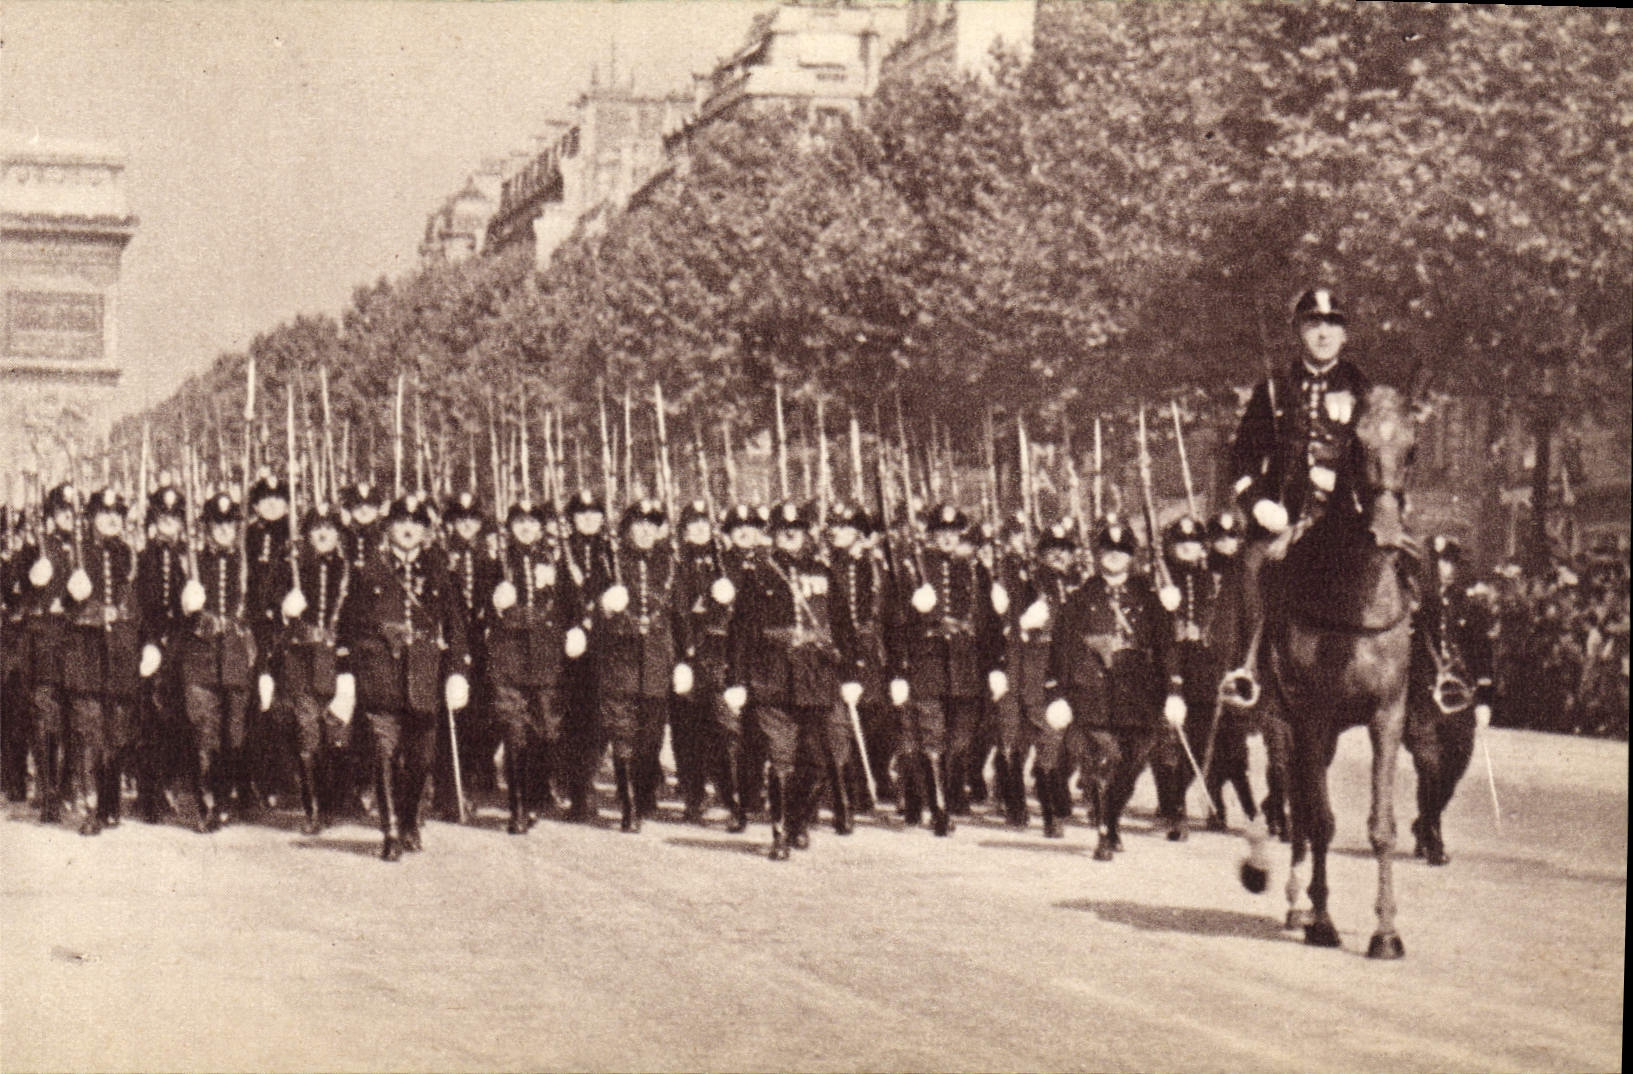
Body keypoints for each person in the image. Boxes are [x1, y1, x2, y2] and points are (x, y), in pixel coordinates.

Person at [1226, 288, 1372, 669]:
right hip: (1280, 523)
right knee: (1251, 571)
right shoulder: (1275, 388)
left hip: (1347, 522)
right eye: (1313, 324)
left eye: (1333, 324)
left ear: (1345, 334)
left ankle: (1430, 685)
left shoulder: (1363, 389)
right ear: (1298, 331)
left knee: (1408, 578)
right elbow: (1241, 459)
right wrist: (1258, 504)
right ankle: (1248, 674)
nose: (1323, 334)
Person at [333, 494, 471, 860]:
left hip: (425, 678)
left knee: (423, 759)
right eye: (400, 523)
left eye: (416, 524)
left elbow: (455, 626)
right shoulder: (369, 572)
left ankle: (409, 818)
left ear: (425, 531)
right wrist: (349, 672)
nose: (408, 529)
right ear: (389, 528)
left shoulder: (439, 571)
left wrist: (458, 671)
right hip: (381, 677)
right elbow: (348, 628)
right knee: (383, 752)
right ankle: (390, 830)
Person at [1047, 518, 1186, 861]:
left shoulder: (1149, 598)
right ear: (1097, 555)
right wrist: (1057, 694)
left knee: (1133, 762)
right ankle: (1104, 832)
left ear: (1131, 556)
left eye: (1122, 552)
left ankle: (1111, 818)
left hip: (1137, 694)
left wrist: (1173, 690)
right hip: (1091, 692)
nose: (1114, 558)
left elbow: (1167, 646)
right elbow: (1062, 648)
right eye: (1108, 551)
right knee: (1105, 760)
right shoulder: (1079, 598)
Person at [484, 500, 578, 834]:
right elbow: (475, 602)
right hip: (508, 656)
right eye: (519, 522)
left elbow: (569, 600)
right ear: (509, 527)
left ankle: (536, 795)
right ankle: (518, 807)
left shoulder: (553, 559)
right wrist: (494, 601)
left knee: (544, 733)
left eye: (532, 523)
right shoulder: (495, 560)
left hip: (545, 656)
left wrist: (575, 629)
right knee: (514, 732)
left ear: (541, 528)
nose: (526, 528)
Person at [588, 499, 680, 833]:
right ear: (627, 527)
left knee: (651, 737)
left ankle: (642, 795)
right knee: (622, 732)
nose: (645, 531)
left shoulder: (669, 563)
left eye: (652, 525)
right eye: (639, 524)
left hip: (656, 659)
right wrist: (604, 607)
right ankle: (628, 807)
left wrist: (682, 660)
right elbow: (589, 606)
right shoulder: (609, 560)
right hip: (619, 658)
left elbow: (678, 614)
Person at [1405, 535, 1495, 866]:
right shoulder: (1416, 603)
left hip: (1459, 699)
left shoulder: (1472, 607)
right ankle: (1432, 833)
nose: (1445, 569)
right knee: (1428, 766)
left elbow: (1484, 653)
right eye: (1440, 562)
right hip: (1422, 698)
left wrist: (1485, 698)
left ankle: (1424, 820)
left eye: (1451, 562)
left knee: (1456, 764)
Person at [61, 489, 142, 834]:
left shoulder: (128, 555)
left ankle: (110, 802)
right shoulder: (75, 553)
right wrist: (71, 593)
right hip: (86, 654)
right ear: (91, 517)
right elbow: (61, 604)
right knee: (89, 731)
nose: (112, 519)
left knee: (117, 733)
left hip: (120, 653)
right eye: (104, 512)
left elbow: (136, 607)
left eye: (117, 514)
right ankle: (91, 808)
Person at [176, 491, 258, 832]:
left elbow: (259, 609)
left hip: (237, 657)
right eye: (217, 524)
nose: (224, 530)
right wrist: (186, 603)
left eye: (229, 524)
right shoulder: (190, 561)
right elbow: (170, 610)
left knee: (234, 734)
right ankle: (205, 801)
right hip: (199, 659)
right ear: (207, 526)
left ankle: (225, 796)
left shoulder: (247, 561)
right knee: (203, 730)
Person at [268, 505, 351, 835]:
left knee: (336, 732)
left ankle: (334, 802)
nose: (323, 534)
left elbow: (356, 616)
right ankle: (312, 808)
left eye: (329, 528)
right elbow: (268, 600)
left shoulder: (346, 569)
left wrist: (348, 663)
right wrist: (285, 607)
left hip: (335, 659)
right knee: (307, 731)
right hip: (300, 659)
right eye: (316, 528)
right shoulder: (292, 566)